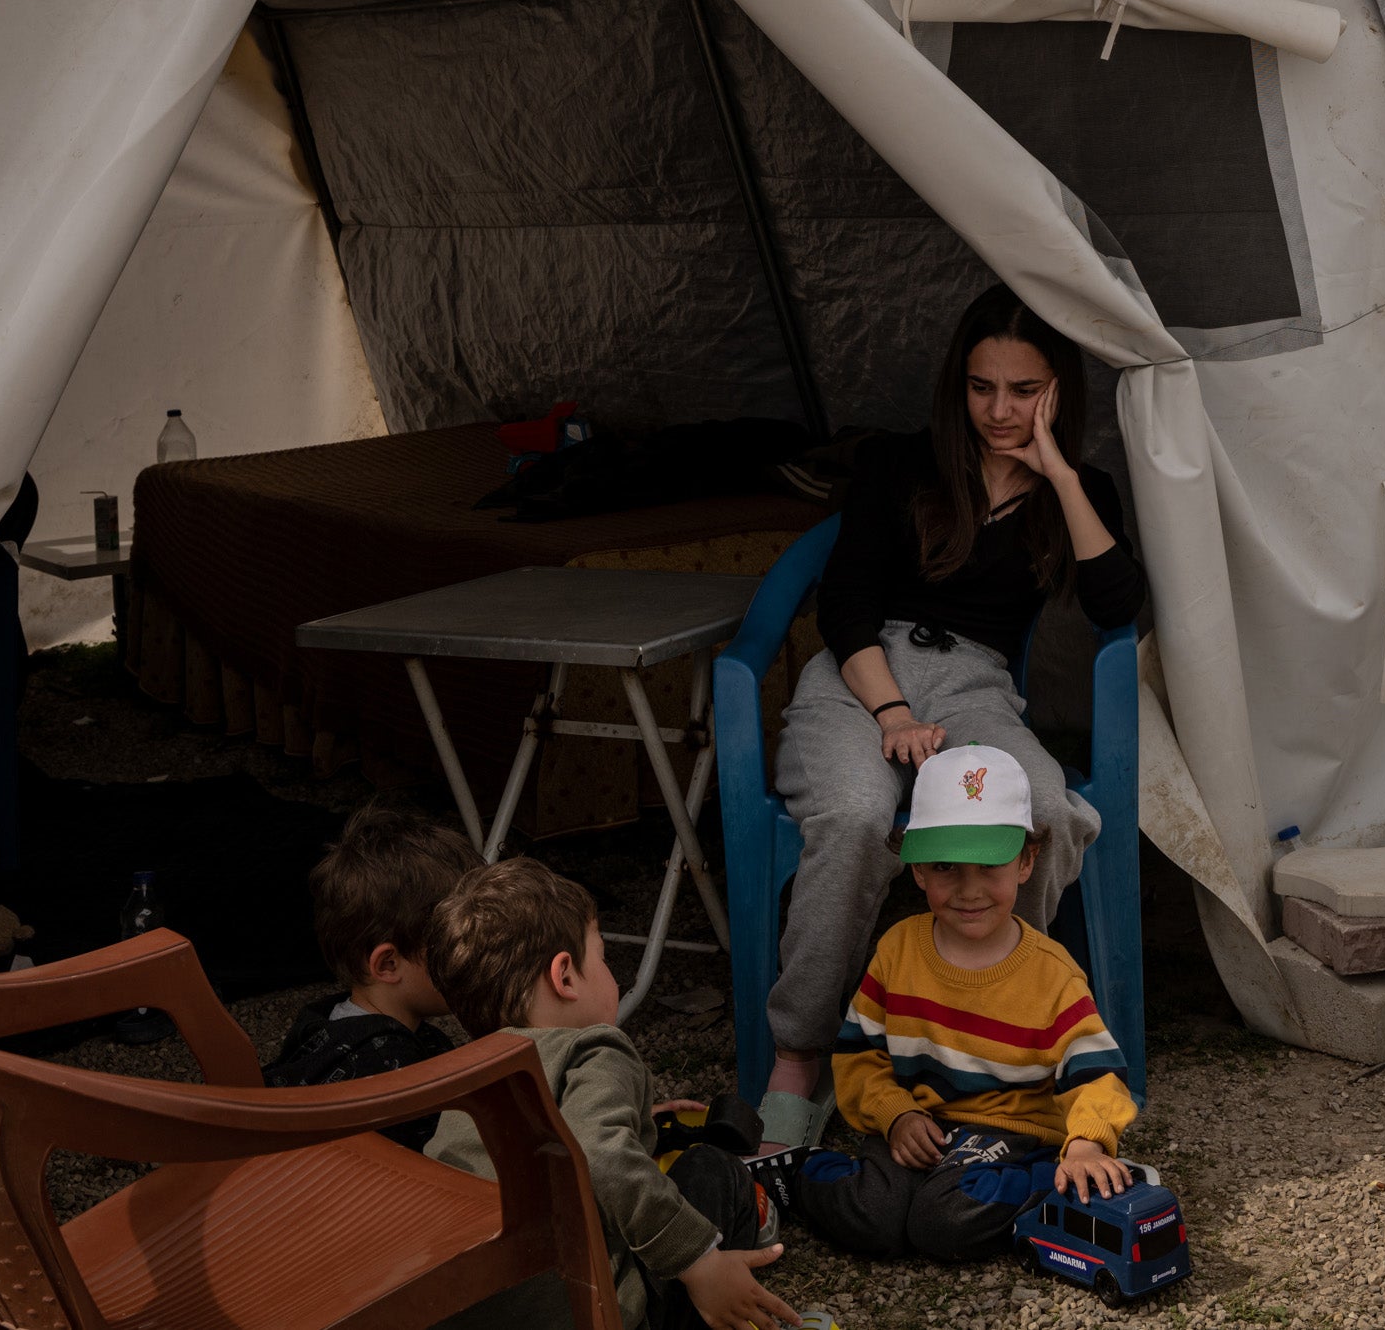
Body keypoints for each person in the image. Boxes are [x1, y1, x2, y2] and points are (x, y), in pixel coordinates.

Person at [757, 285, 1146, 1150]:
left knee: (1040, 812)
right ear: (957, 386)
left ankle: (1006, 1036)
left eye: (1023, 390)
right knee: (856, 817)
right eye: (982, 388)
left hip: (974, 686)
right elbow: (846, 604)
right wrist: (890, 710)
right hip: (860, 678)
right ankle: (800, 1056)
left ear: (1056, 392)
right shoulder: (900, 463)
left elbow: (1120, 600)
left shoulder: (1075, 490)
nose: (1000, 410)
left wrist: (1058, 473)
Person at [792, 745, 1135, 1262]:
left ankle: (1055, 1181)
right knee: (874, 1219)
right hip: (917, 1127)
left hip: (1011, 1138)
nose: (969, 890)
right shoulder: (897, 950)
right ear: (918, 871)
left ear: (1025, 861)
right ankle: (792, 1174)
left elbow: (1095, 1075)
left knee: (941, 1225)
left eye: (990, 865)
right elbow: (858, 1055)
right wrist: (895, 1114)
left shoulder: (1052, 974)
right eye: (947, 866)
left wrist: (1088, 1141)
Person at [423, 858, 798, 1330]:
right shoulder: (595, 1047)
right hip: (598, 1312)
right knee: (712, 1169)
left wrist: (639, 1116)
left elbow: (539, 1137)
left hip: (480, 1310)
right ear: (565, 977)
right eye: (601, 957)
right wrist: (698, 1262)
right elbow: (596, 1153)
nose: (609, 972)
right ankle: (738, 1247)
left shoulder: (461, 1074)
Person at [263, 802, 480, 1150]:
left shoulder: (324, 1022)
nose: (475, 957)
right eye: (458, 944)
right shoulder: (393, 1078)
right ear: (388, 965)